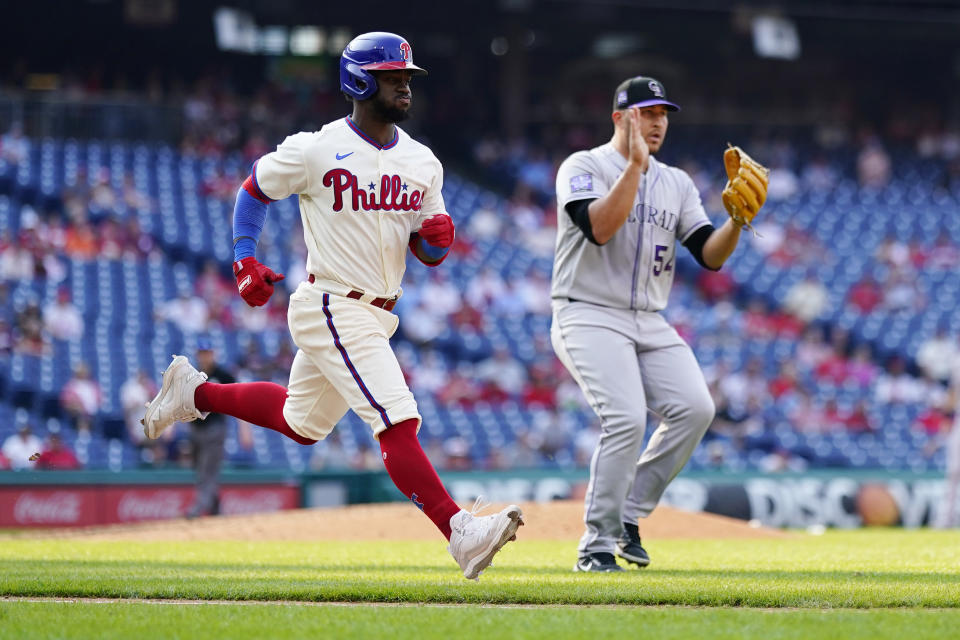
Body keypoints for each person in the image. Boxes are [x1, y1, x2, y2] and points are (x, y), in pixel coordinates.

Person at [141, 32, 522, 580]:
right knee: (397, 417)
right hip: (332, 302)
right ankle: (459, 531)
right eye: (394, 76)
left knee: (302, 424)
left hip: (377, 310)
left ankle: (194, 392)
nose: (405, 85)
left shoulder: (423, 161)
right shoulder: (317, 148)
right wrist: (244, 259)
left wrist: (437, 238)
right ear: (359, 81)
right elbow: (254, 190)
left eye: (408, 76)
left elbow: (428, 249)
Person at [550, 76, 767, 571]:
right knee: (625, 418)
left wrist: (735, 221)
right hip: (586, 311)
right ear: (619, 118)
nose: (657, 122)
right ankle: (597, 543)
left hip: (648, 318)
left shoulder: (677, 183)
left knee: (695, 408)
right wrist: (633, 169)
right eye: (646, 113)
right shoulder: (583, 166)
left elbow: (709, 256)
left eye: (662, 114)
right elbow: (600, 229)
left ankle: (629, 514)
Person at [185, 338, 237, 518]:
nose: (205, 357)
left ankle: (198, 508)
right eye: (202, 353)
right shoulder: (191, 375)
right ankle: (215, 508)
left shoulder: (223, 375)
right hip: (195, 428)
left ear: (213, 354)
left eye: (207, 353)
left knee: (207, 469)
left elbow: (238, 398)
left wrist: (245, 428)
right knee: (199, 467)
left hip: (215, 428)